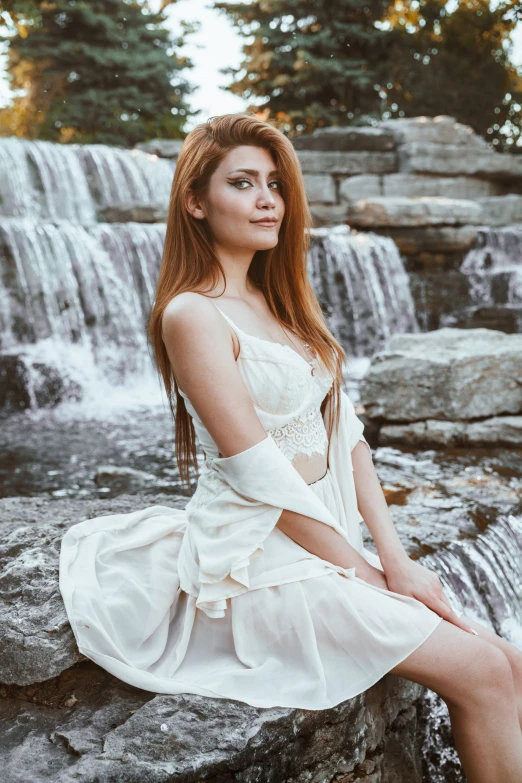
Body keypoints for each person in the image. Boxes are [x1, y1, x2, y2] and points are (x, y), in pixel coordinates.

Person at [59, 113, 522, 782]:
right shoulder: (192, 312)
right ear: (195, 201)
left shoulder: (285, 305)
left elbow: (350, 439)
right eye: (243, 183)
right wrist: (355, 569)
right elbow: (253, 466)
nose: (267, 198)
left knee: (509, 661)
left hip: (327, 542)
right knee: (481, 670)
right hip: (260, 558)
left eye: (274, 182)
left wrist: (393, 558)